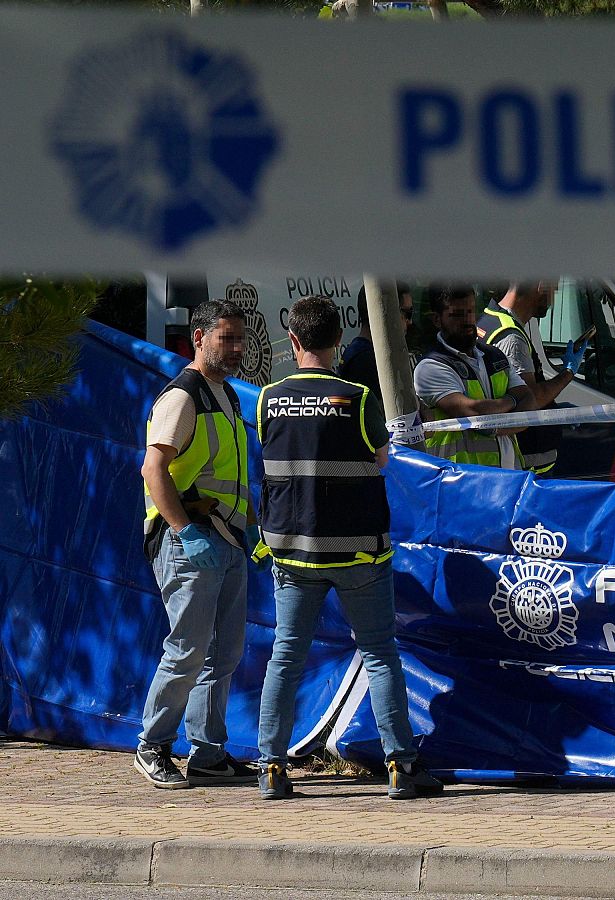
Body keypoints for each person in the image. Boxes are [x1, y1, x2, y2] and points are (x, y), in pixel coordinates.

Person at [254, 295, 443, 801]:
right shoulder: (356, 398)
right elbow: (381, 460)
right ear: (338, 341)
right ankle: (401, 767)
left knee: (286, 657)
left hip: (293, 554)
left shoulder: (268, 398)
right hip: (359, 553)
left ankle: (271, 768)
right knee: (380, 654)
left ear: (293, 341)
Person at [136, 298, 260, 790]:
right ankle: (153, 744)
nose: (235, 348)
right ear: (199, 339)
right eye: (225, 338)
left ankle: (208, 754)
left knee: (224, 652)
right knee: (188, 648)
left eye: (240, 338)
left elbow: (229, 476)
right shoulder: (183, 396)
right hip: (190, 538)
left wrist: (253, 533)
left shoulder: (225, 394)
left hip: (225, 538)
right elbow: (152, 469)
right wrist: (184, 532)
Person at [413, 284, 535, 470]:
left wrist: (495, 427)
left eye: (470, 311)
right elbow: (476, 413)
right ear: (437, 319)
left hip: (507, 476)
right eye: (457, 314)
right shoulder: (431, 367)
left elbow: (529, 401)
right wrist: (511, 400)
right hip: (460, 481)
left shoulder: (495, 357)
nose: (468, 320)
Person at [476, 280, 589, 474]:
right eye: (554, 290)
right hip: (527, 466)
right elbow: (530, 398)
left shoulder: (489, 319)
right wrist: (568, 372)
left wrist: (554, 410)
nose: (553, 298)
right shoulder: (511, 338)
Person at [337, 282, 413, 412]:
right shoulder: (365, 359)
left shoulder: (360, 353)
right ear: (388, 312)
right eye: (408, 313)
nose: (410, 322)